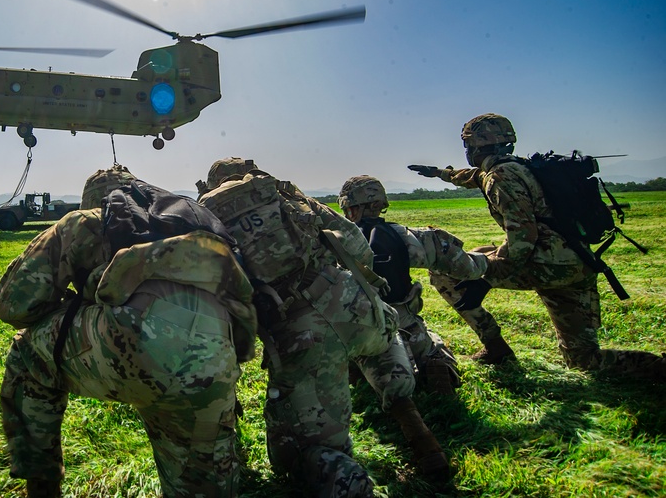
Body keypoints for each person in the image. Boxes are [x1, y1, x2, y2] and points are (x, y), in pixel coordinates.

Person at [0, 164, 258, 498]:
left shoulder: (85, 219)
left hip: (137, 345)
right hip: (215, 355)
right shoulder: (184, 218)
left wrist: (73, 305)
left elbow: (13, 305)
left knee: (27, 353)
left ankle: (41, 486)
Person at [198, 158, 447, 496]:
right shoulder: (283, 192)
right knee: (380, 343)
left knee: (295, 450)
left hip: (302, 338)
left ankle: (352, 485)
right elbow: (356, 243)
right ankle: (417, 428)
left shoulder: (206, 217)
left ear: (212, 184)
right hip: (355, 304)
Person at [410, 113, 665, 380]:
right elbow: (474, 177)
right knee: (583, 360)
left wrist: (486, 278)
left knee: (445, 269)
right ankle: (658, 366)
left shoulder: (501, 177)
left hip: (546, 265)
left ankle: (496, 348)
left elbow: (522, 242)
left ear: (474, 146)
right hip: (578, 263)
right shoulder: (519, 166)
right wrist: (441, 174)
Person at [338, 175, 485, 394]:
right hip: (405, 320)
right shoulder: (409, 236)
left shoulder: (332, 244)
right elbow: (469, 269)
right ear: (381, 204)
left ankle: (361, 372)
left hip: (361, 329)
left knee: (349, 353)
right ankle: (434, 362)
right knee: (432, 345)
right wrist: (485, 258)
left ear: (349, 208)